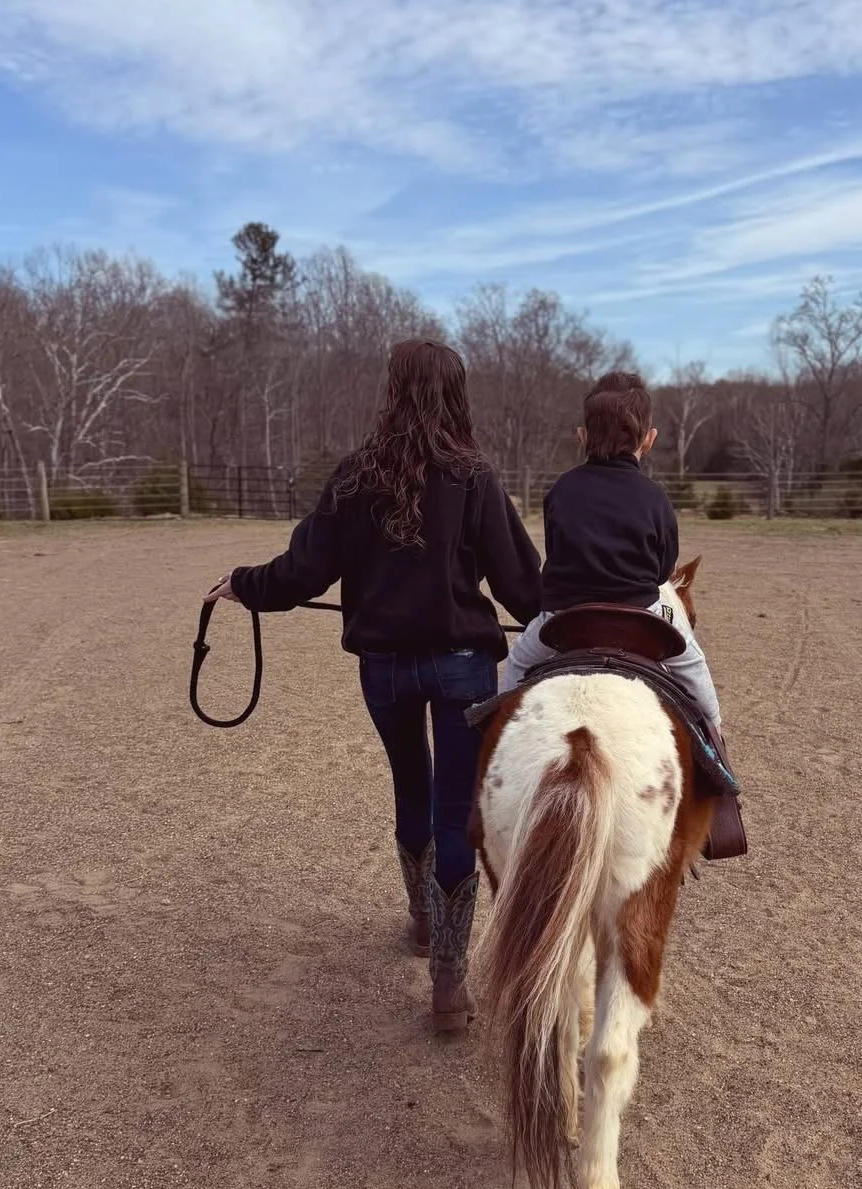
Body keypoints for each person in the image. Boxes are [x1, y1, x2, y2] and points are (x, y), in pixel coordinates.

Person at [206, 339, 541, 1034]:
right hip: (461, 667)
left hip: (385, 668)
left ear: (391, 391)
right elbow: (523, 588)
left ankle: (423, 921)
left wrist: (245, 584)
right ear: (458, 393)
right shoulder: (473, 478)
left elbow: (302, 572)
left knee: (410, 788)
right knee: (455, 811)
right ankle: (447, 978)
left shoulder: (356, 476)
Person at [499, 370, 723, 731]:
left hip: (565, 616)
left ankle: (499, 730)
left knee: (515, 667)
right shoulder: (656, 498)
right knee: (694, 667)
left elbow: (557, 550)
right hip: (641, 614)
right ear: (648, 440)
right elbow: (663, 568)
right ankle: (715, 746)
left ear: (582, 437)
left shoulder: (561, 489)